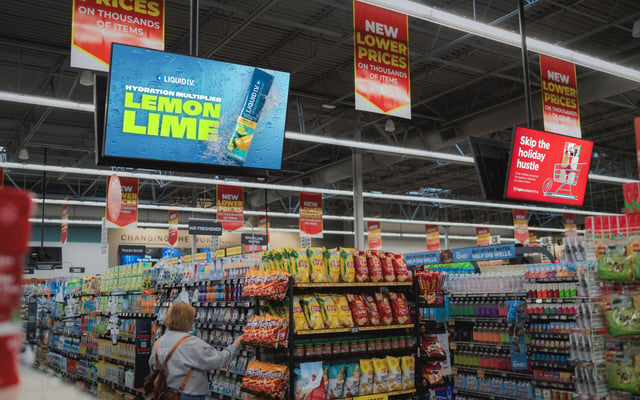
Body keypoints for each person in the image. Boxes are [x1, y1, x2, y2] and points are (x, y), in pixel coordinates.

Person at [149, 302, 243, 400]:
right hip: (188, 395)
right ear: (187, 321)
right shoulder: (191, 343)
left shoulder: (158, 342)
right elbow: (219, 360)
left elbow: (152, 367)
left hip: (163, 394)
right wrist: (236, 345)